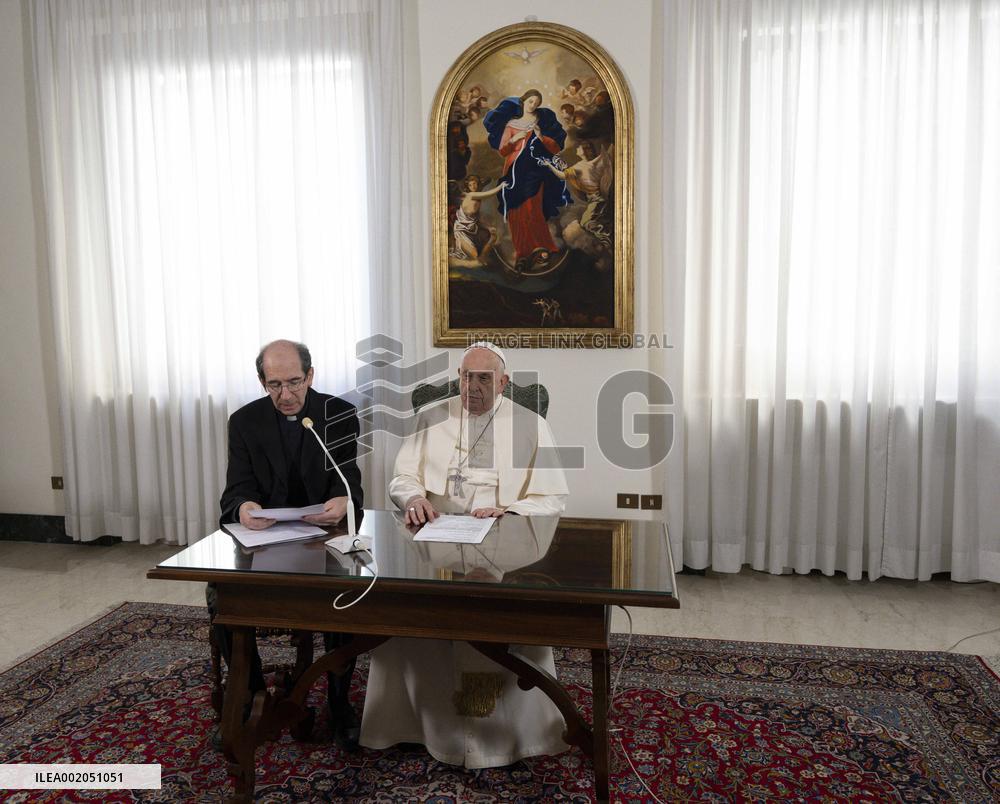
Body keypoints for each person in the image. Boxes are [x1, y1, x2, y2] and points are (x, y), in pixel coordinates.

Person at [360, 342, 570, 768]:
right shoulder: (430, 416)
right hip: (437, 542)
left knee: (493, 630)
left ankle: (498, 738)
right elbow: (402, 477)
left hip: (502, 547)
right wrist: (414, 496)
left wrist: (511, 510)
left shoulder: (529, 424)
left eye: (483, 379)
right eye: (465, 376)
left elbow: (551, 497)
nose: (471, 387)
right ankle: (418, 725)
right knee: (410, 619)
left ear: (503, 382)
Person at [211, 339, 365, 750]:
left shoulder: (338, 415)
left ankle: (338, 703)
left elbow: (349, 483)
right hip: (265, 541)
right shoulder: (245, 422)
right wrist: (244, 508)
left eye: (294, 382)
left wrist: (343, 502)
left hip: (324, 539)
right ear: (262, 382)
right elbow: (236, 490)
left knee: (346, 593)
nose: (286, 395)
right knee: (221, 594)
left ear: (310, 376)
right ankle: (250, 695)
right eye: (275, 385)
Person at [483, 90, 572, 269]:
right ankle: (522, 252)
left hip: (534, 171)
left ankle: (542, 247)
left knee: (533, 208)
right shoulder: (512, 124)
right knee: (516, 211)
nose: (533, 105)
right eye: (531, 101)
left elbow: (554, 148)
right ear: (523, 101)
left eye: (536, 103)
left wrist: (541, 137)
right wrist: (513, 139)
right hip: (514, 170)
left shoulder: (540, 123)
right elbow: (503, 151)